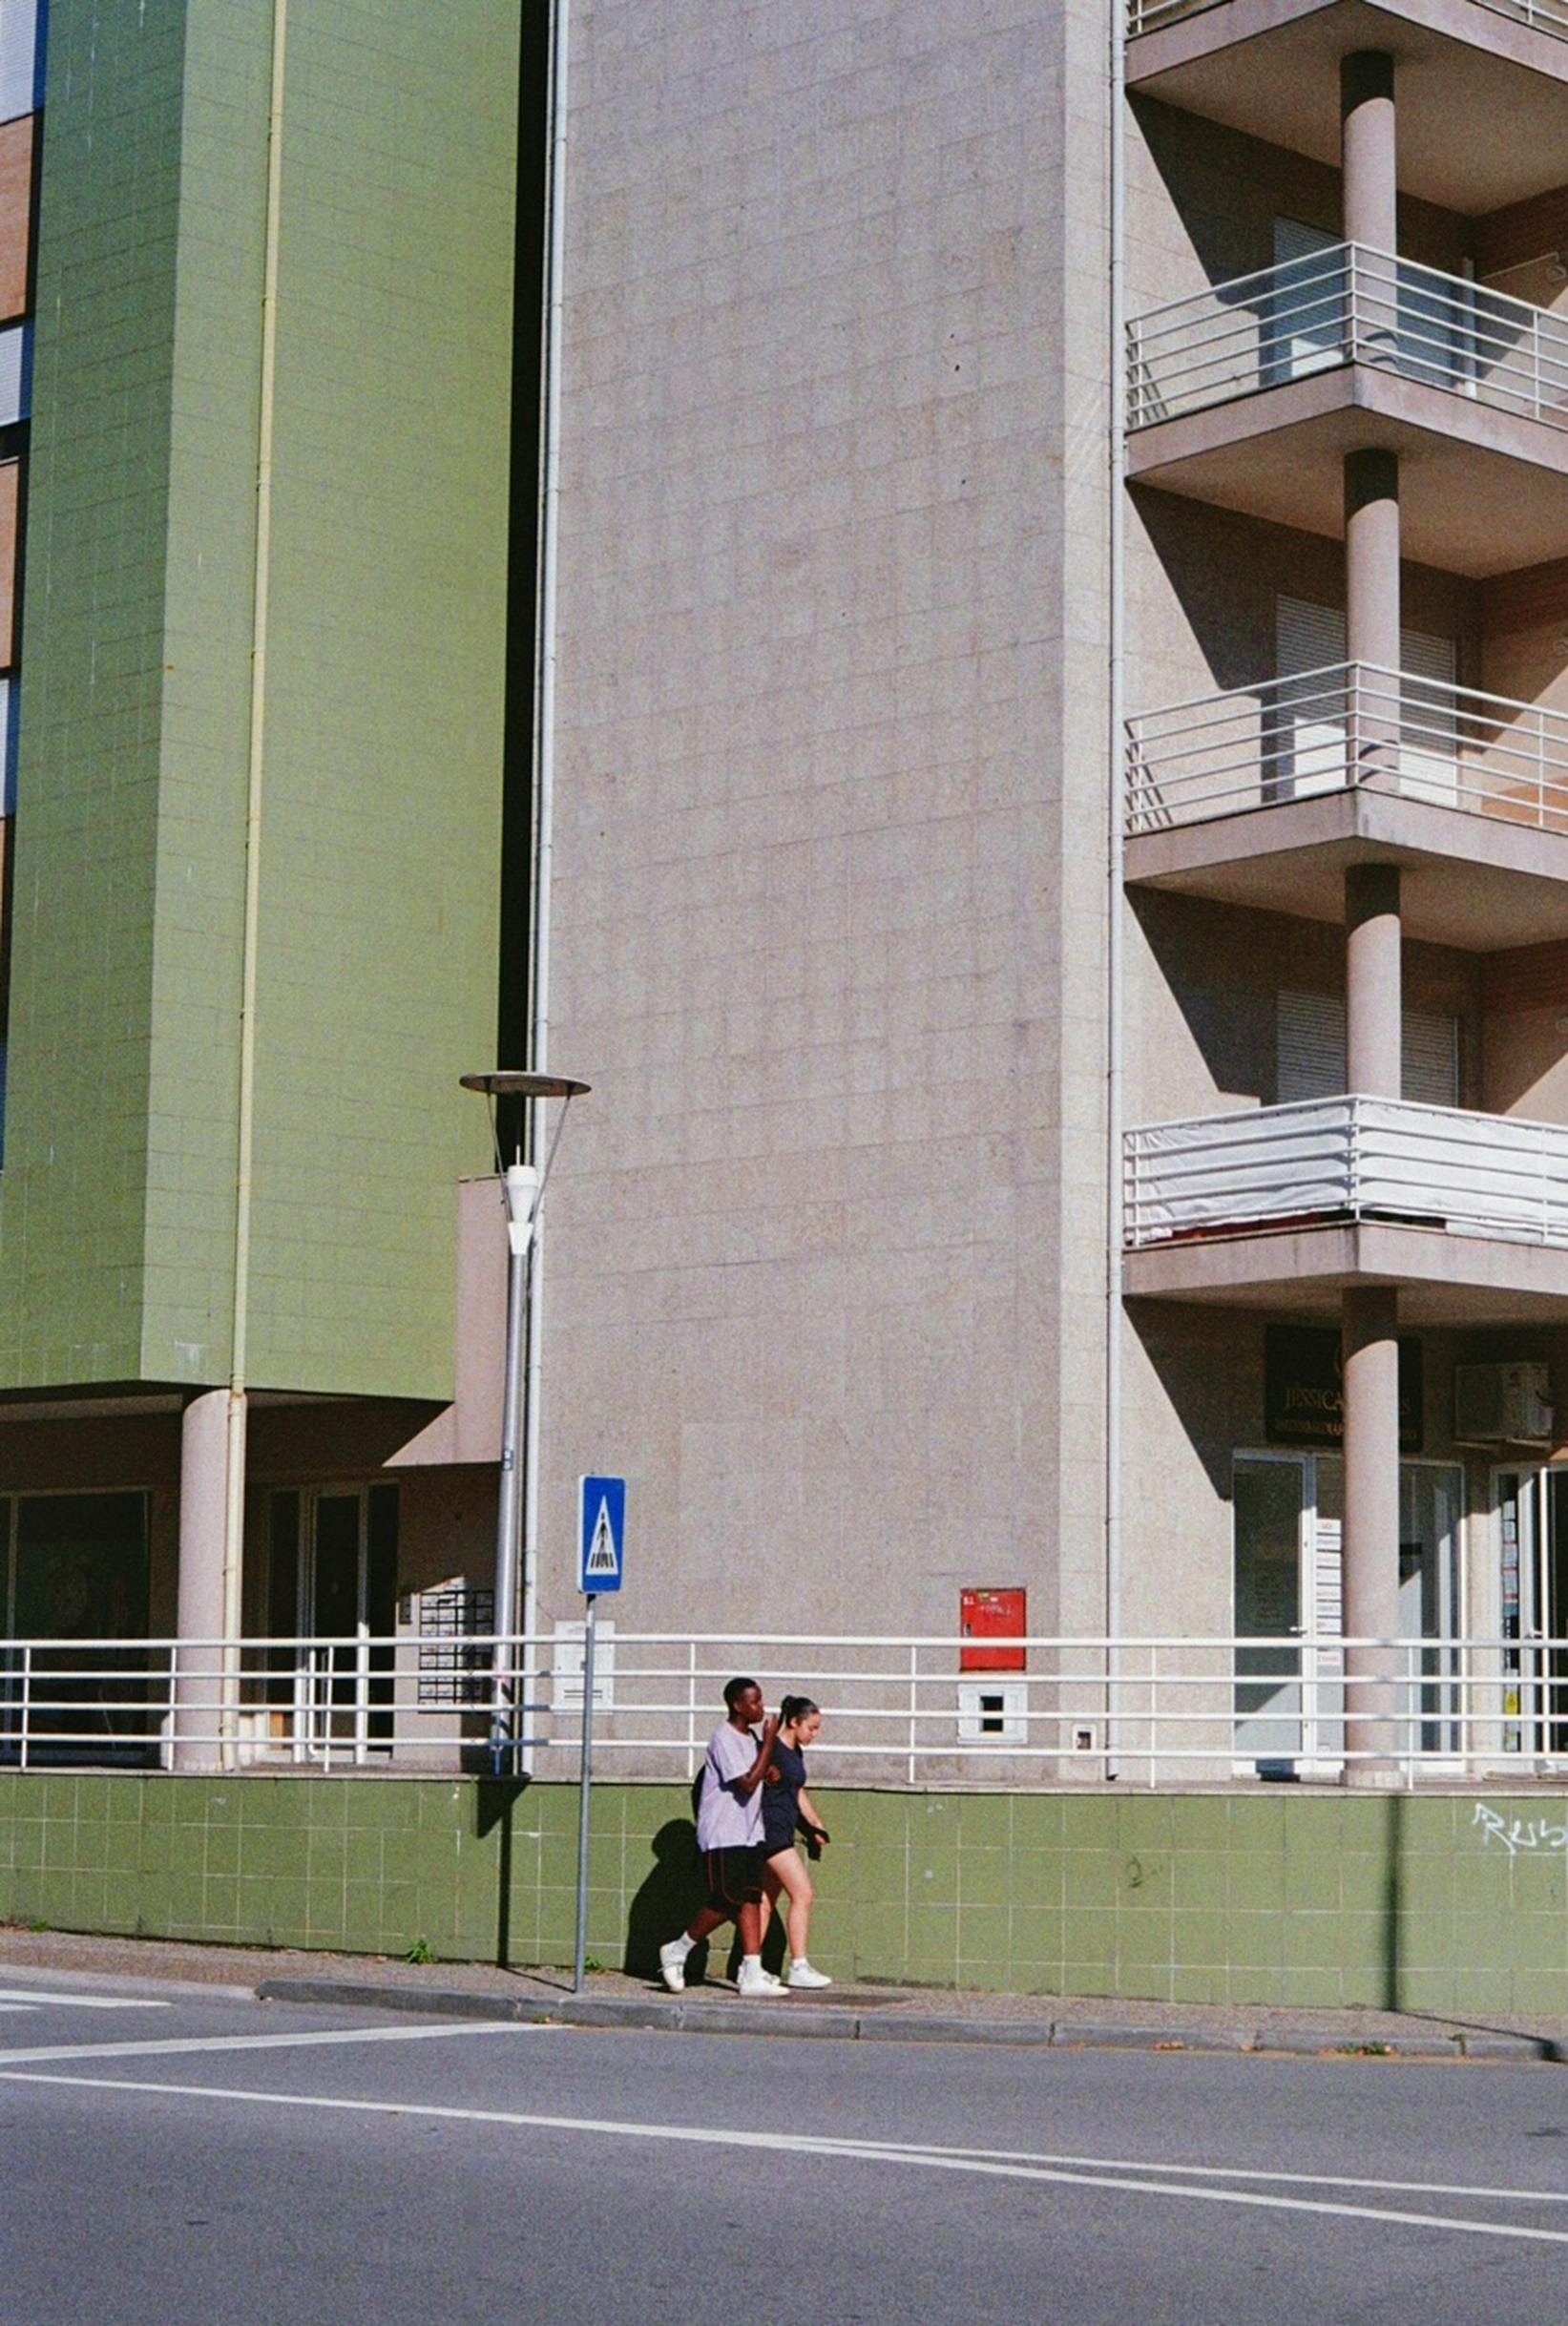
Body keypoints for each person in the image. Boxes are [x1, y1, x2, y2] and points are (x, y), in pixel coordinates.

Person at [659, 1677, 783, 1999]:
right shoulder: (723, 1737)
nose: (761, 1708)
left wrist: (768, 1768)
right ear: (737, 1705)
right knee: (726, 1898)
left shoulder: (750, 1738)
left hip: (749, 1832)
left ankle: (751, 1972)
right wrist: (769, 1743)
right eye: (755, 1702)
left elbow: (757, 1775)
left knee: (751, 1898)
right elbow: (744, 1783)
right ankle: (677, 1950)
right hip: (723, 1832)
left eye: (761, 1701)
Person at [758, 1694, 832, 1989]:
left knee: (764, 1900)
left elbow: (798, 1791)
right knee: (803, 1893)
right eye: (811, 1727)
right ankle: (799, 1966)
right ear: (793, 1721)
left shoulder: (793, 1752)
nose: (814, 1734)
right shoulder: (771, 1749)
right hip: (771, 1831)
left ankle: (748, 1965)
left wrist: (815, 1825)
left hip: (783, 1829)